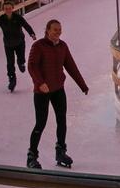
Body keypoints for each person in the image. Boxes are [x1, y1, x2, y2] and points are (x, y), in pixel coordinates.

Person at [26, 19, 88, 169]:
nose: (58, 32)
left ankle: (60, 151)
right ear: (47, 30)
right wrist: (40, 83)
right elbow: (32, 66)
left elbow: (71, 66)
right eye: (55, 29)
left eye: (59, 30)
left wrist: (82, 85)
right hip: (42, 91)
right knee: (41, 123)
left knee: (62, 121)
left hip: (58, 89)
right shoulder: (38, 46)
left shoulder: (62, 46)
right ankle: (32, 156)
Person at [0, 0, 37, 92]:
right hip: (8, 44)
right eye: (6, 9)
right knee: (10, 63)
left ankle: (21, 63)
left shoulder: (18, 17)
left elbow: (26, 25)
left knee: (20, 57)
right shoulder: (1, 19)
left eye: (9, 8)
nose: (8, 10)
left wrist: (32, 33)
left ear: (12, 8)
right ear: (3, 10)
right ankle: (12, 79)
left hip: (20, 42)